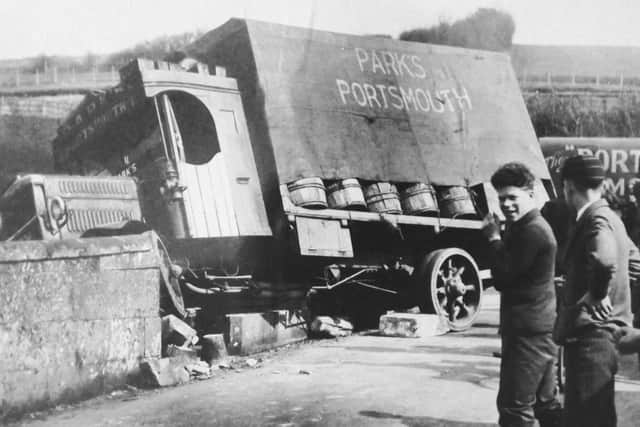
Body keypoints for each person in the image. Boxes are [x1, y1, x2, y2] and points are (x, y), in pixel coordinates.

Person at [482, 162, 562, 427]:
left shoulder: (533, 231)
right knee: (545, 403)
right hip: (537, 328)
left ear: (531, 193)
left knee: (514, 408)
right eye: (501, 198)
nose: (506, 205)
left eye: (512, 197)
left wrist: (493, 238)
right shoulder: (524, 226)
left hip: (528, 333)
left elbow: (504, 278)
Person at [555, 154, 633, 427]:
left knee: (588, 420)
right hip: (604, 340)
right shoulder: (613, 218)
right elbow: (634, 261)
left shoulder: (594, 218)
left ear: (568, 186)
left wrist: (598, 293)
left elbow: (604, 258)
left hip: (591, 340)